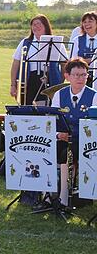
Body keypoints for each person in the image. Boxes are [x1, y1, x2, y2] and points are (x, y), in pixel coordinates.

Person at [49, 58, 96, 206]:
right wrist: (58, 135)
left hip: (86, 142)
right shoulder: (59, 95)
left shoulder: (94, 96)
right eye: (76, 75)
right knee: (50, 151)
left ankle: (79, 194)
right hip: (63, 139)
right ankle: (54, 195)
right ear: (67, 76)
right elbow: (52, 122)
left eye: (84, 75)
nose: (80, 78)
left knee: (74, 154)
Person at [10, 14, 63, 105]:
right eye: (34, 24)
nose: (36, 27)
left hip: (50, 78)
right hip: (30, 79)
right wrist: (13, 85)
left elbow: (64, 64)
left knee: (48, 107)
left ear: (46, 26)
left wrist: (60, 82)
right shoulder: (25, 42)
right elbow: (15, 64)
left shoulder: (56, 42)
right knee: (27, 106)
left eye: (39, 24)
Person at [69, 11, 97, 87]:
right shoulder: (77, 40)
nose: (87, 24)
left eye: (90, 21)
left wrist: (85, 60)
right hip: (81, 77)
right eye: (84, 22)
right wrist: (91, 60)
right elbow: (73, 60)